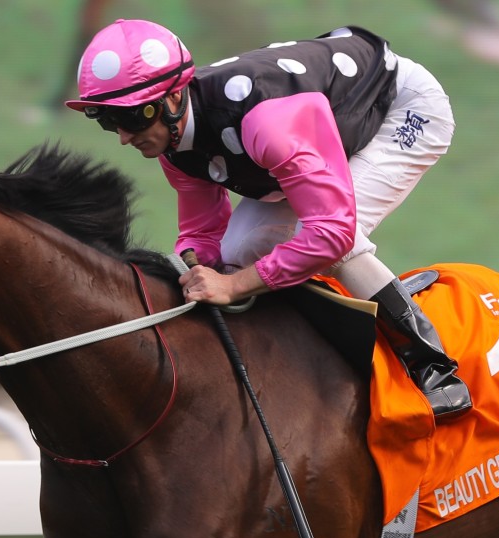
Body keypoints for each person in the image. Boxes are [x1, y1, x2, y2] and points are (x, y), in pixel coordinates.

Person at [65, 19, 472, 420]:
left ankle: (435, 369)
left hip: (398, 108)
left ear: (173, 98)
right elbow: (203, 233)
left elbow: (331, 232)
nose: (123, 136)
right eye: (108, 121)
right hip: (316, 130)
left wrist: (233, 285)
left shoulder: (264, 121)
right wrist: (194, 269)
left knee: (328, 243)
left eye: (133, 117)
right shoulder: (173, 145)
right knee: (237, 253)